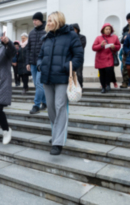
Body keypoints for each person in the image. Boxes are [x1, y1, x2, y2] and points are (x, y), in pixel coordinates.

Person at [37, 11, 84, 156]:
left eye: (51, 20)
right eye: (48, 21)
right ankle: (57, 133)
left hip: (63, 78)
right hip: (47, 78)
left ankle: (58, 141)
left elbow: (79, 56)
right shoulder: (46, 37)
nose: (48, 23)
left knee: (60, 106)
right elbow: (40, 56)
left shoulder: (71, 36)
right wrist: (40, 65)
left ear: (58, 21)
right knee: (51, 108)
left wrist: (66, 67)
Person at [26, 12, 47, 114]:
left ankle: (36, 105)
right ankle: (45, 102)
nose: (34, 22)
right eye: (33, 20)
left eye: (36, 20)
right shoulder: (31, 33)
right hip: (33, 63)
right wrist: (28, 62)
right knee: (37, 84)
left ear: (41, 20)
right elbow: (28, 48)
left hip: (42, 63)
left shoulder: (46, 31)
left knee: (39, 83)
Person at [92, 23, 121, 93]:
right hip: (100, 59)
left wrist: (115, 47)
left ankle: (108, 84)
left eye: (109, 29)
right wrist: (100, 45)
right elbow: (93, 47)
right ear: (103, 30)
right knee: (102, 73)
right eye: (106, 29)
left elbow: (118, 46)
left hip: (110, 58)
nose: (108, 30)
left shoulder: (115, 37)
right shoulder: (98, 38)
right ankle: (103, 87)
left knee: (109, 71)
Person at [120, 13, 130, 88]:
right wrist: (124, 38)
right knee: (125, 68)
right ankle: (125, 82)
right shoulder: (125, 28)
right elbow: (122, 41)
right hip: (126, 51)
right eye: (128, 20)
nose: (129, 21)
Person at [71, 23, 87, 88]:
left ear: (77, 30)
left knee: (79, 73)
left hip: (78, 58)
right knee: (70, 74)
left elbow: (81, 46)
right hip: (70, 58)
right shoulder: (68, 38)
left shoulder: (82, 37)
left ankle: (80, 86)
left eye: (74, 29)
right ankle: (72, 87)